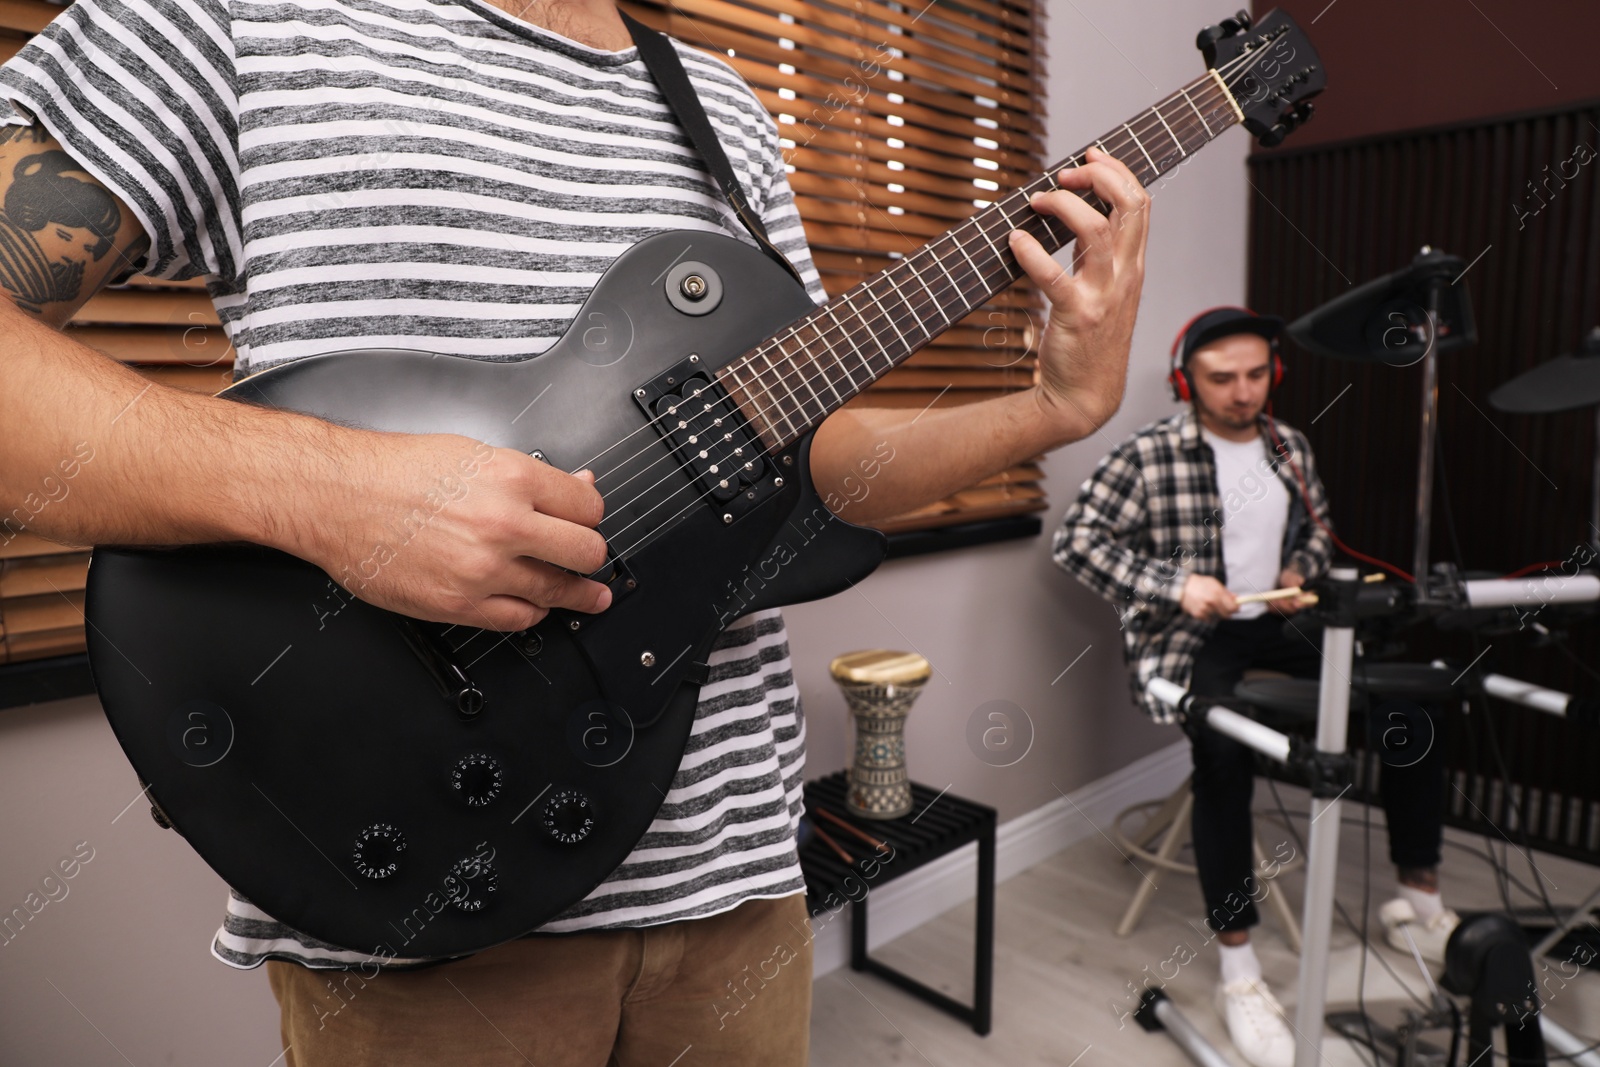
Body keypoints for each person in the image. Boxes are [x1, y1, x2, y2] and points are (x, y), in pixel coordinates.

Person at [0, 0, 1151, 1061]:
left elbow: (787, 470)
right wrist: (325, 488)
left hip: (743, 887)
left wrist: (1054, 410)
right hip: (426, 943)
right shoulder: (238, 19)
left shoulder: (721, 111)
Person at [1052, 308, 1453, 1067]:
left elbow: (1315, 528)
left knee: (1413, 700)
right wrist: (1178, 584)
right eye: (1221, 378)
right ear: (1186, 381)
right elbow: (1076, 544)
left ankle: (1419, 901)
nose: (1242, 392)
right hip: (1196, 633)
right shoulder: (1147, 455)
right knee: (1226, 746)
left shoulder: (1289, 445)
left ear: (1276, 371)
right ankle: (1239, 968)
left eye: (1255, 374)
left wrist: (1300, 569)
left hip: (1278, 621)